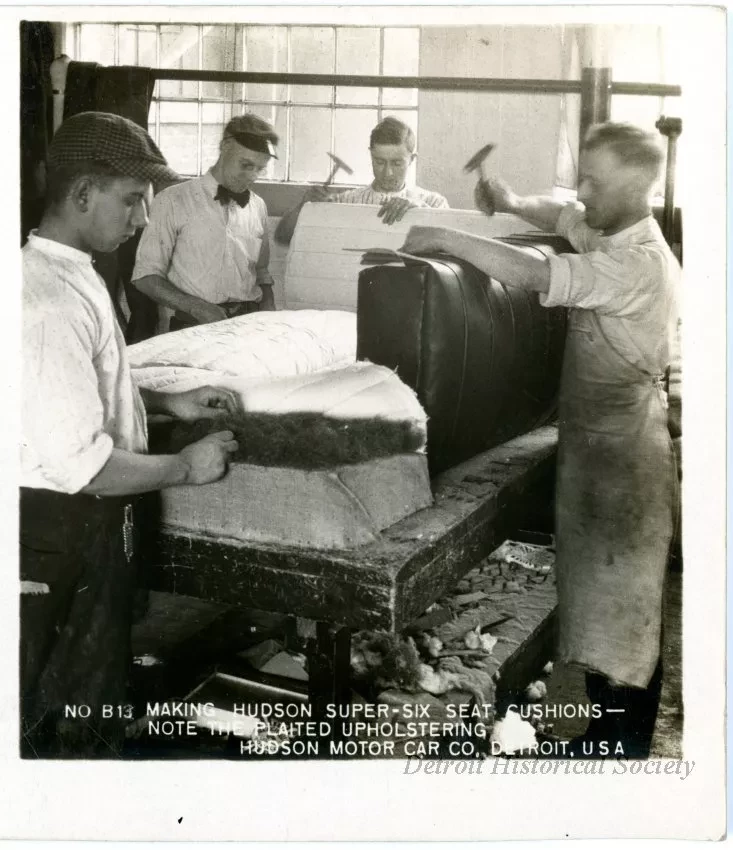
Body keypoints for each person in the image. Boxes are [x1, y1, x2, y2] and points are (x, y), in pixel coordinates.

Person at [401, 122, 680, 759]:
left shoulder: (637, 263)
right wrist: (512, 202)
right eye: (581, 175)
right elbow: (566, 213)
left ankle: (623, 752)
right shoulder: (610, 223)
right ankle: (605, 737)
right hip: (595, 450)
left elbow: (535, 273)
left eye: (594, 182)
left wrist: (446, 235)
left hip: (625, 463)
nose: (581, 192)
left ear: (638, 189)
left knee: (623, 628)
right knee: (594, 611)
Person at [21, 111, 241, 758]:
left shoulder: (76, 273)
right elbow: (82, 466)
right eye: (131, 201)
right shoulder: (44, 303)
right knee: (59, 724)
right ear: (82, 194)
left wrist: (166, 399)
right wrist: (185, 467)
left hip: (82, 534)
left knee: (90, 700)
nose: (144, 218)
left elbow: (75, 391)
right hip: (53, 538)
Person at [131, 113, 279, 333]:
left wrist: (268, 304)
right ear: (225, 146)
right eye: (246, 164)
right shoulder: (172, 200)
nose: (252, 176)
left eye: (260, 168)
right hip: (193, 325)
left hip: (248, 326)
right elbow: (145, 277)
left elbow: (261, 270)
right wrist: (197, 308)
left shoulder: (258, 206)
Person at [274, 116, 449, 245]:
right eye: (379, 162)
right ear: (370, 155)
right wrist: (304, 205)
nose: (388, 173)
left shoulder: (433, 202)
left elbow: (450, 248)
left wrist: (421, 210)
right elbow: (283, 238)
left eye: (397, 163)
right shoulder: (346, 201)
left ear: (412, 159)